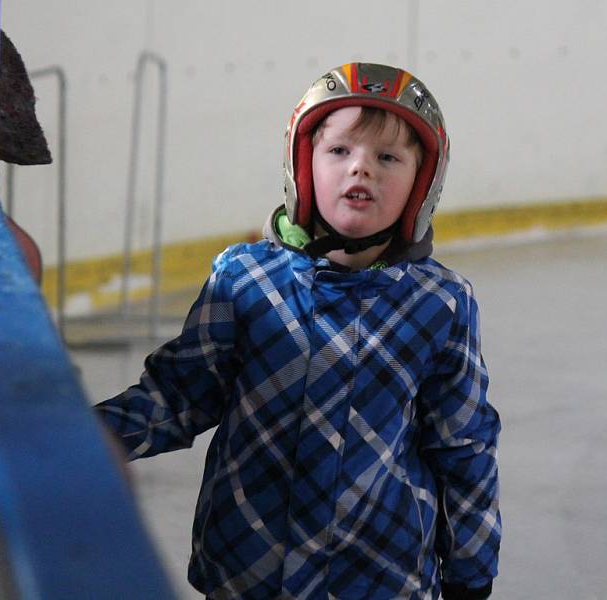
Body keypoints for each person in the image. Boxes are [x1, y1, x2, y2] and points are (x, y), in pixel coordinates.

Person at [96, 62, 501, 600]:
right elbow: (179, 394)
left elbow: (463, 446)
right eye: (340, 151)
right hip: (249, 569)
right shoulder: (244, 280)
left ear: (423, 184)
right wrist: (84, 437)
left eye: (387, 157)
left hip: (380, 576)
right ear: (302, 165)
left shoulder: (441, 303)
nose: (362, 170)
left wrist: (472, 571)